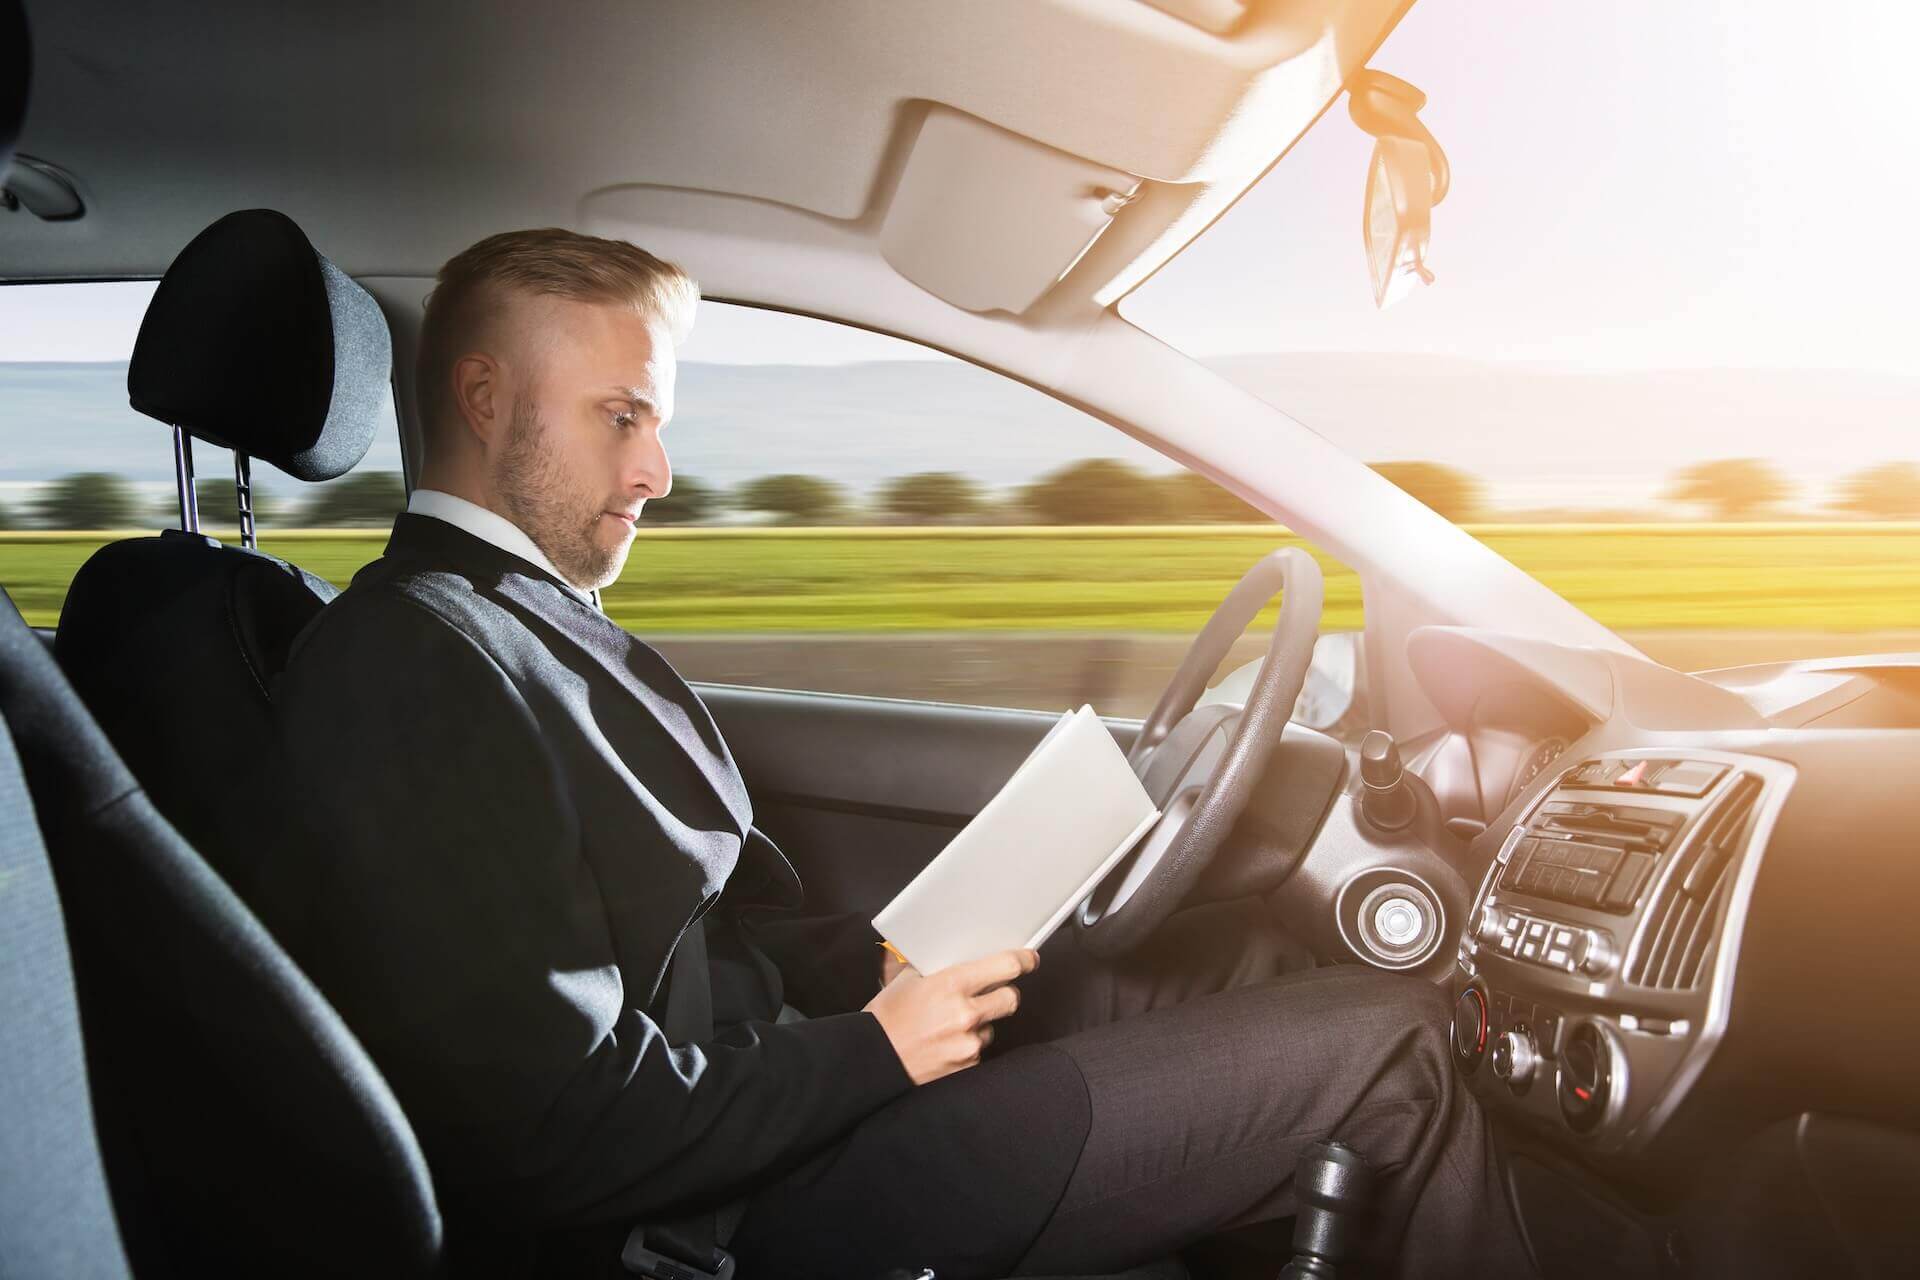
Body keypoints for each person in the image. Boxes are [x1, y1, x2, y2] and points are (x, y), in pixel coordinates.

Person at [273, 228, 1534, 1280]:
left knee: (1242, 960)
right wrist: (877, 1045)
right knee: (1396, 1047)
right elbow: (550, 1122)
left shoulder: (508, 618)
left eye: (655, 419)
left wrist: (873, 960)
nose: (658, 469)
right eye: (620, 417)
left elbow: (681, 948)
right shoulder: (413, 662)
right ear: (486, 401)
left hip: (772, 1101)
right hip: (727, 1216)